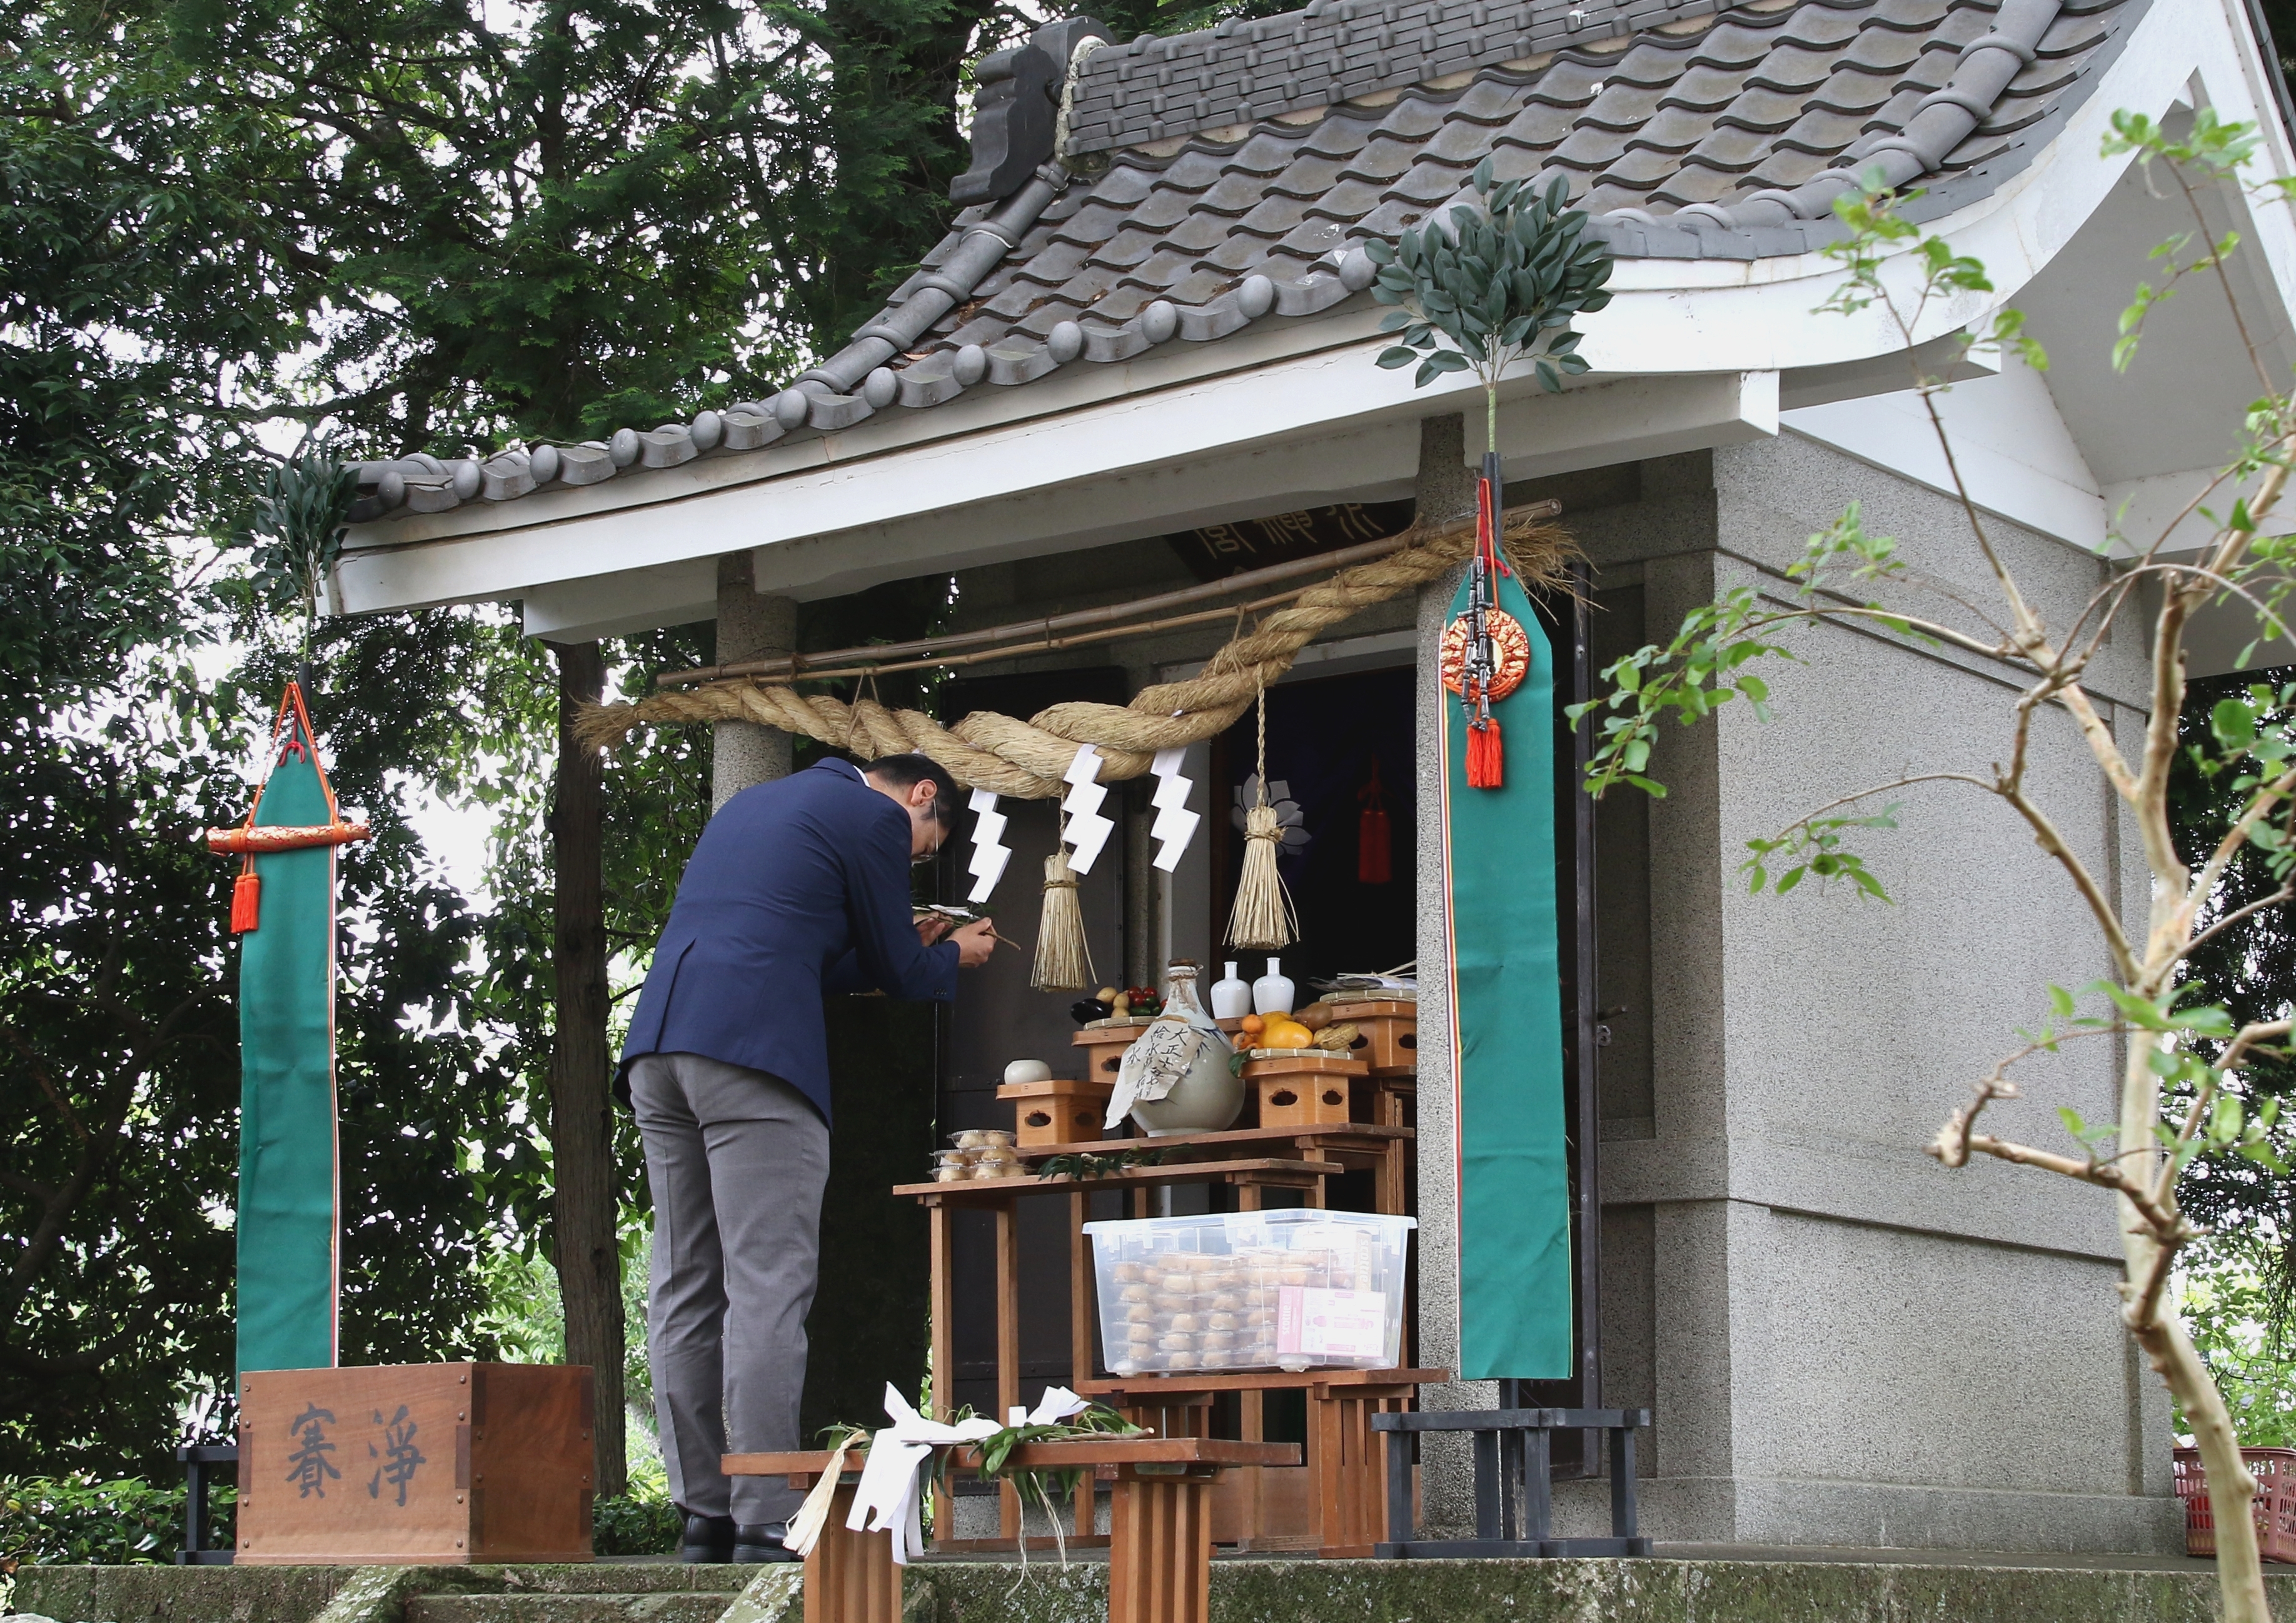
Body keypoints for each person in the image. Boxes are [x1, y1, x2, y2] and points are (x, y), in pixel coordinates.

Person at [618, 751, 995, 1564]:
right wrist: (950, 954)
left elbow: (809, 949)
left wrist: (912, 942)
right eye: (925, 843)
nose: (914, 853)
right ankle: (761, 1515)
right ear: (921, 795)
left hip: (660, 1046)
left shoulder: (758, 807)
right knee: (766, 1282)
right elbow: (899, 972)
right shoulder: (875, 816)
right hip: (753, 1057)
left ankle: (703, 1514)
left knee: (684, 1282)